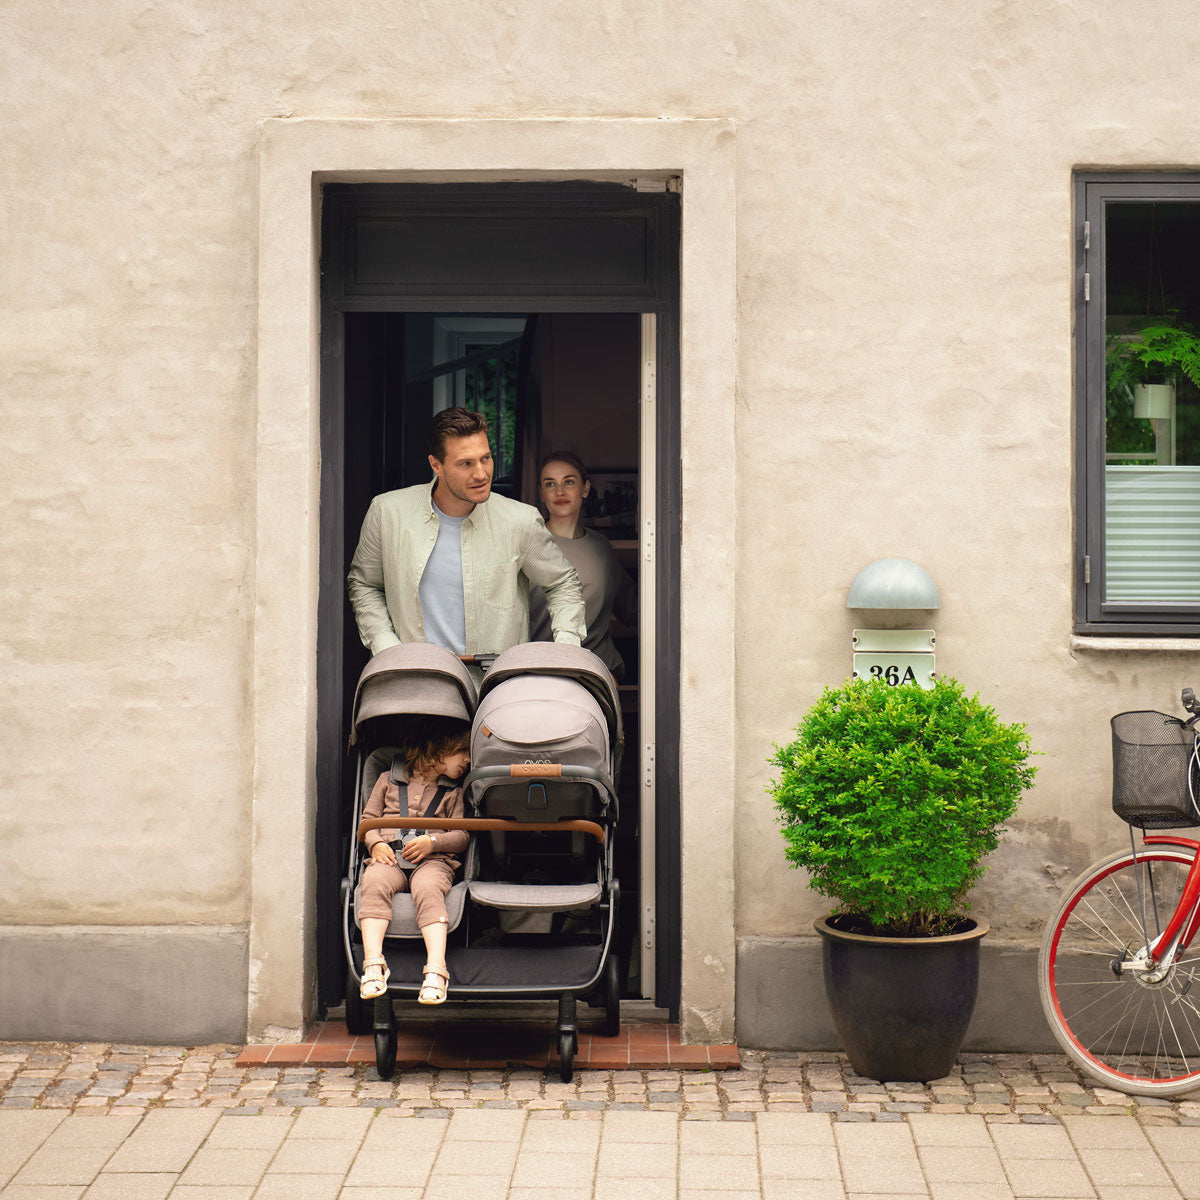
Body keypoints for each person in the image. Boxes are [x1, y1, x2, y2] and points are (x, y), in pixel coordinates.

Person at [347, 408, 586, 670]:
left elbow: (562, 583)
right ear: (436, 465)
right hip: (412, 679)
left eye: (485, 458)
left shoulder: (520, 521)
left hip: (495, 685)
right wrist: (386, 647)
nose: (482, 474)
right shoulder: (387, 512)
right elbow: (364, 584)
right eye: (466, 463)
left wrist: (566, 648)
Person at [357, 719, 471, 1005]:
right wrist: (377, 842)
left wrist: (433, 842)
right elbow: (368, 822)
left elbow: (461, 836)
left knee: (429, 887)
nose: (469, 760)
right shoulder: (388, 780)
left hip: (432, 861)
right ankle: (373, 963)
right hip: (389, 855)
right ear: (438, 751)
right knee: (373, 881)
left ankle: (436, 969)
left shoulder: (453, 792)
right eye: (464, 752)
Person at [528, 451, 637, 681]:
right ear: (541, 494)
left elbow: (632, 609)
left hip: (598, 669)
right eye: (550, 484)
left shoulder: (601, 547)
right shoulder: (529, 543)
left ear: (585, 489)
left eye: (569, 482)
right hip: (536, 669)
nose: (560, 491)